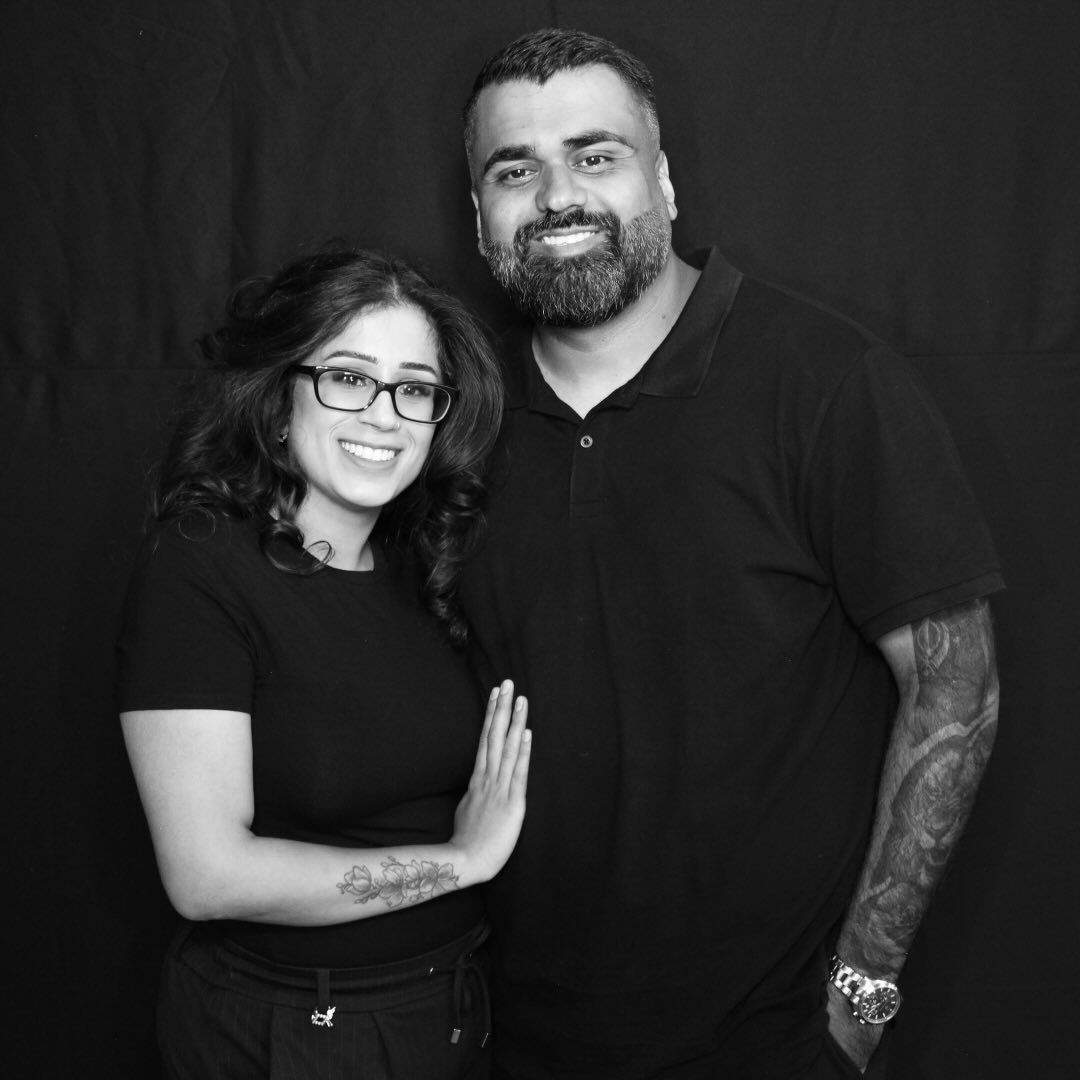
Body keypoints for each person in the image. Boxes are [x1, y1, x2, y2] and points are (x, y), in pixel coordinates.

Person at [458, 27, 1002, 1079]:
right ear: (480, 219)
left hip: (775, 1044)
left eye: (596, 155)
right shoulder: (448, 419)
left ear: (664, 181)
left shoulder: (826, 382)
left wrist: (861, 995)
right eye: (514, 171)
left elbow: (957, 686)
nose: (559, 196)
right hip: (509, 1038)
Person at [116, 246, 532, 1079]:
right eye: (348, 378)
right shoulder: (200, 565)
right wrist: (462, 861)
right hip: (297, 1027)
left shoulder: (422, 570)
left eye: (415, 389)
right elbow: (206, 876)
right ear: (279, 400)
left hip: (454, 1006)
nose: (384, 416)